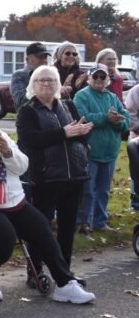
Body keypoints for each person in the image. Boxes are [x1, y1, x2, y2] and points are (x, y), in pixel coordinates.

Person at [0, 102, 94, 304]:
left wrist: (7, 153)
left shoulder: (1, 135)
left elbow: (22, 165)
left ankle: (65, 283)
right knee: (4, 236)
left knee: (42, 230)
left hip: (11, 199)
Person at [15, 65, 92, 268]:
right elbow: (30, 139)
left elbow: (80, 133)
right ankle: (36, 270)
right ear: (33, 85)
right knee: (40, 227)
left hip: (74, 175)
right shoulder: (27, 110)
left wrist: (83, 132)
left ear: (58, 84)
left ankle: (65, 272)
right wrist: (64, 133)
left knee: (67, 228)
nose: (47, 83)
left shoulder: (68, 105)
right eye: (42, 80)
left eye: (51, 80)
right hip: (45, 176)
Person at [73, 64, 129, 232]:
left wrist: (120, 121)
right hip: (90, 151)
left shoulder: (113, 97)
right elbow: (84, 117)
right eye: (95, 76)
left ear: (107, 80)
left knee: (104, 190)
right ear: (89, 78)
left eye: (102, 77)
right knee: (87, 191)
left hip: (110, 152)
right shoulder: (81, 96)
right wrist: (107, 118)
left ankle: (100, 222)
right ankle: (82, 223)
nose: (98, 80)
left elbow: (126, 119)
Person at [11, 43, 51, 110]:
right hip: (29, 119)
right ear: (28, 60)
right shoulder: (19, 76)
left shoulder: (50, 76)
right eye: (40, 57)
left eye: (45, 57)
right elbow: (21, 101)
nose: (44, 60)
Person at [127, 83, 139, 211]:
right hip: (138, 139)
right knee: (137, 171)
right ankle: (136, 203)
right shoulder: (136, 91)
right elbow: (130, 112)